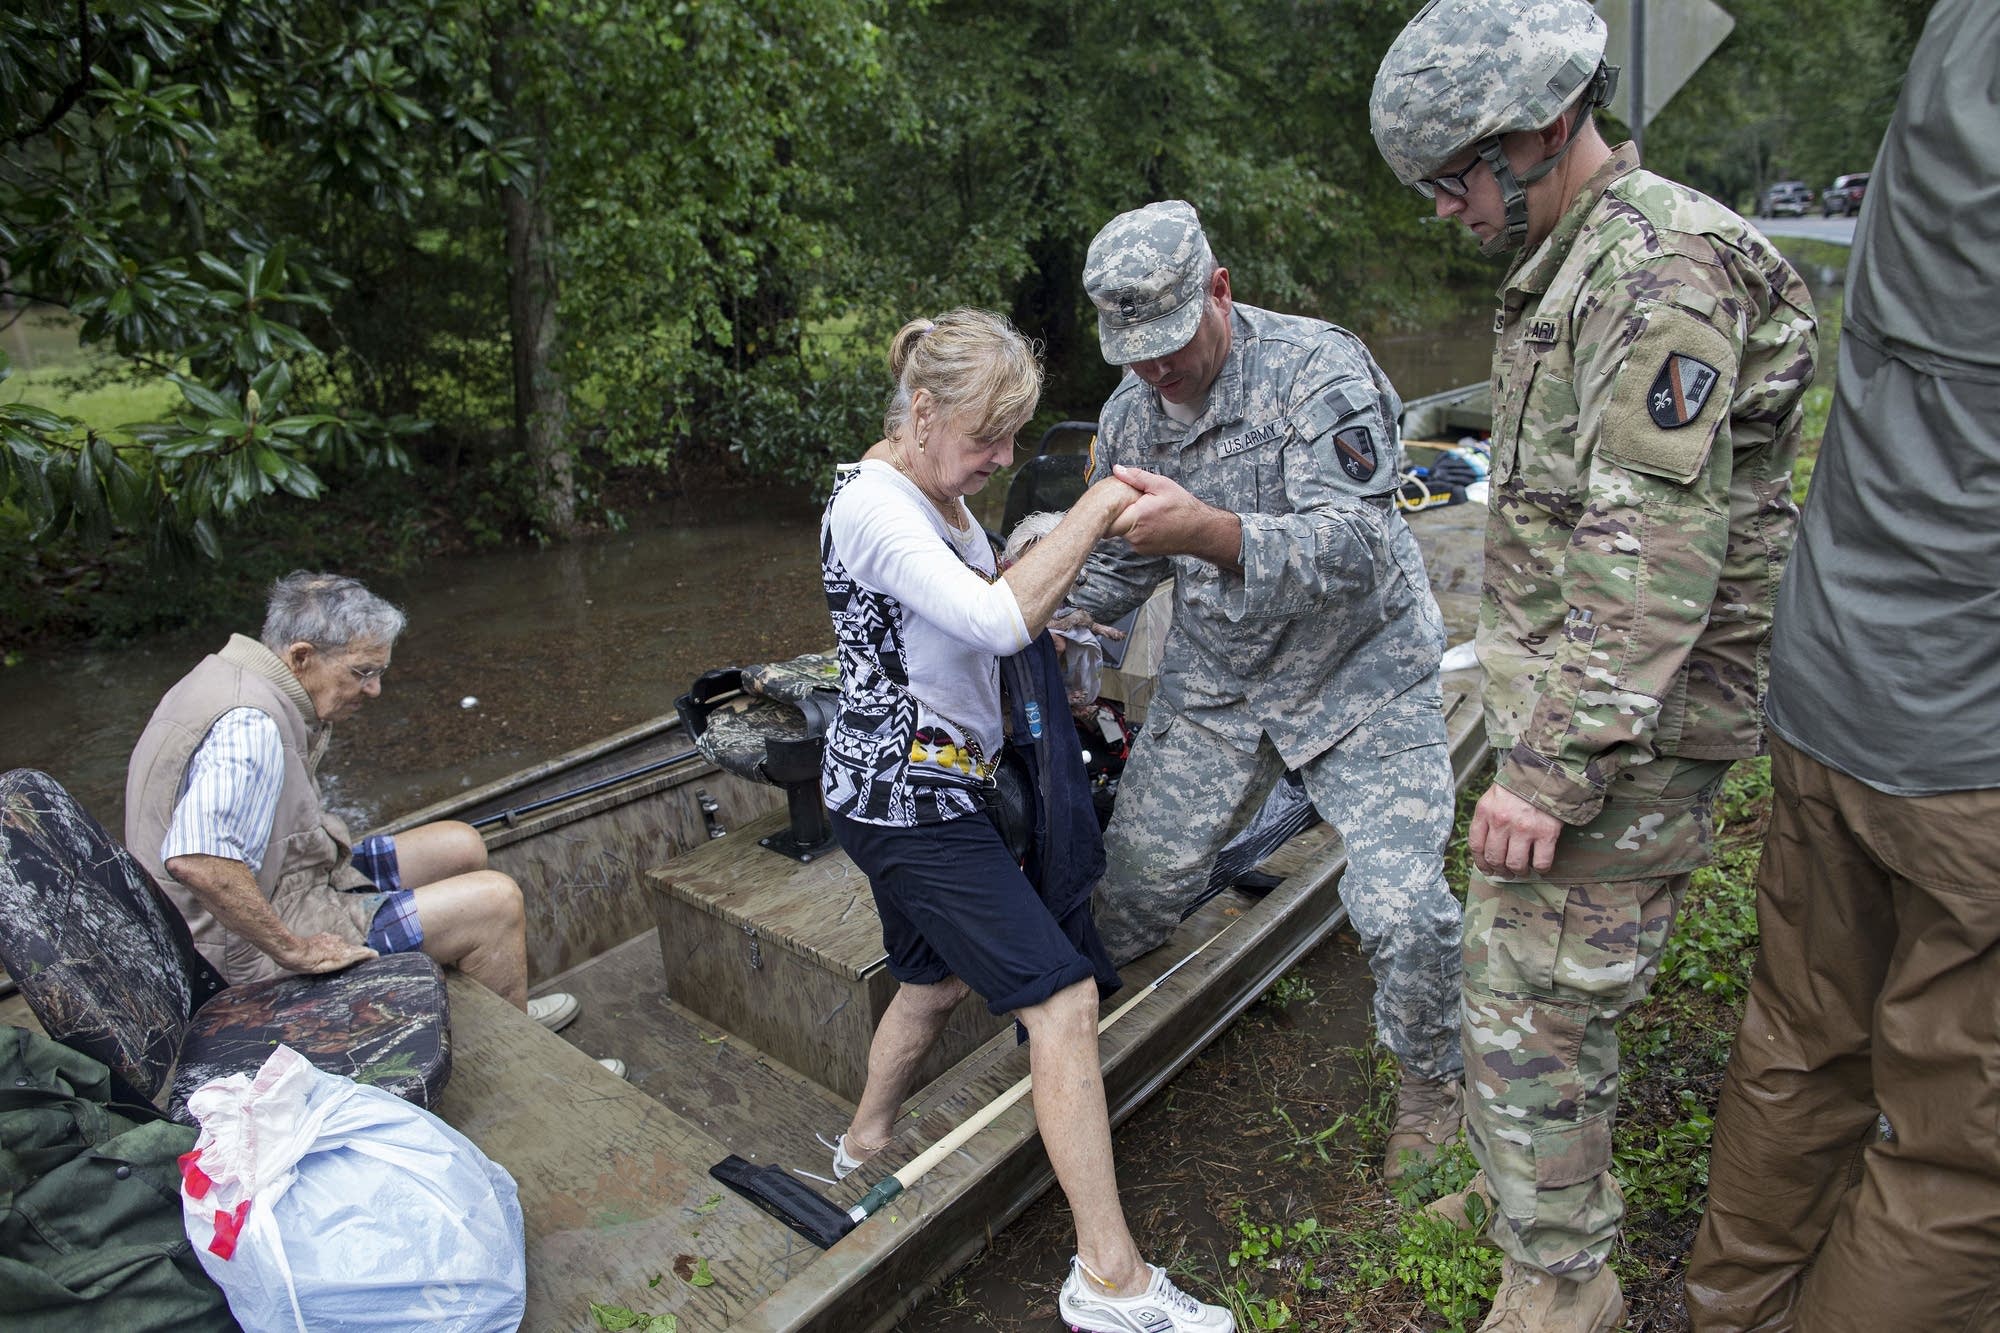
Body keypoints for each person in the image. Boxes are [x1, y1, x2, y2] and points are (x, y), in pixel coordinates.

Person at [1370, 2, 1816, 1327]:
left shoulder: (1656, 270)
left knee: (1535, 1004)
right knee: (1532, 977)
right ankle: (1530, 1191)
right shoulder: (1586, 257)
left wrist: (1552, 771)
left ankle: (1563, 1280)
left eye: (1454, 180)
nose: (1445, 212)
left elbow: (1651, 548)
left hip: (1636, 719)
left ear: (1540, 134)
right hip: (1598, 698)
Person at [818, 309, 1232, 1333]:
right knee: (1061, 1002)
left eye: (1012, 438)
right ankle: (1109, 1278)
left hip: (925, 787)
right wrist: (1093, 506)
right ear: (921, 412)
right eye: (986, 439)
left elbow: (983, 611)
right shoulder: (874, 507)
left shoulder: (935, 493)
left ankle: (860, 1149)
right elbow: (998, 619)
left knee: (931, 978)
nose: (1002, 458)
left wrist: (1063, 609)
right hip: (904, 800)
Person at [1681, 3, 2000, 1328]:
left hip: (1831, 690)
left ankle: (1731, 1306)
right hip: (1973, 745)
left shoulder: (1956, 56)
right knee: (1959, 1148)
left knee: (1802, 1042)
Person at [1067, 199, 1465, 1182]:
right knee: (1129, 894)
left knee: (1399, 904)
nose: (1155, 369)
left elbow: (1364, 549)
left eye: (1169, 341)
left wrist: (1209, 531)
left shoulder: (1316, 369)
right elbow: (1109, 582)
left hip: (1357, 671)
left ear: (1219, 290)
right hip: (1221, 680)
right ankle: (1070, 1043)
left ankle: (1433, 1083)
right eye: (1133, 351)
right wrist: (1039, 615)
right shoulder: (1126, 417)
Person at [126, 572, 621, 1075]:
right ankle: (520, 1067)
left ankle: (485, 1010)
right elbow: (198, 861)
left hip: (289, 883)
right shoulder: (249, 724)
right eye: (362, 672)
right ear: (301, 656)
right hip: (233, 951)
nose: (376, 689)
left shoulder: (238, 673)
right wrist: (294, 951)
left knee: (460, 844)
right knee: (495, 903)